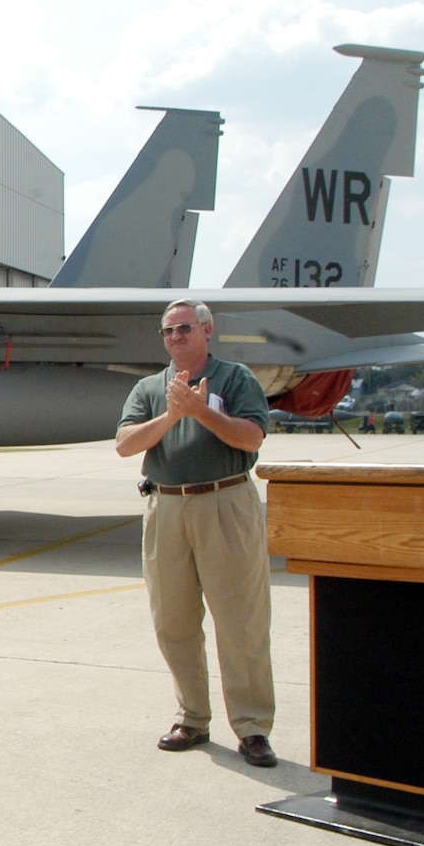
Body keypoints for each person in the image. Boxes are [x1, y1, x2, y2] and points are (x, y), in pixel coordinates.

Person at [116, 299, 277, 767]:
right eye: (167, 332)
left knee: (240, 621)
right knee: (173, 620)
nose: (175, 338)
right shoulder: (149, 388)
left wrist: (202, 412)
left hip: (224, 503)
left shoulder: (236, 378)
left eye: (184, 329)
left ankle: (251, 728)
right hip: (166, 507)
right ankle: (192, 718)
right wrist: (171, 415)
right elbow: (126, 444)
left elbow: (251, 438)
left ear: (208, 330)